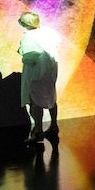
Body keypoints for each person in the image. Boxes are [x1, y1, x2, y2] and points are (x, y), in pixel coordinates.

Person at [18, 11, 60, 144]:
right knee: (50, 94)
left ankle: (38, 131)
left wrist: (20, 52)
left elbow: (29, 58)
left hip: (36, 71)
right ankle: (53, 125)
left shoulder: (28, 37)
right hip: (51, 68)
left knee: (35, 99)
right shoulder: (48, 32)